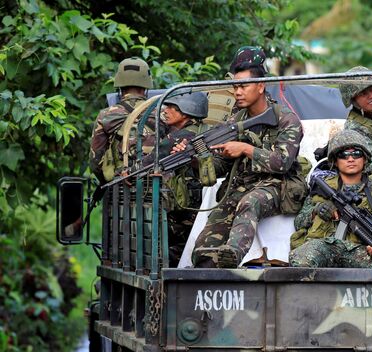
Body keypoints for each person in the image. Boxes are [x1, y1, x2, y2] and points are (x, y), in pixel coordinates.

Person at [190, 46, 304, 268]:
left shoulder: (286, 119)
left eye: (243, 86)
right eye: (234, 86)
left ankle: (232, 254)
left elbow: (282, 162)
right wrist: (197, 158)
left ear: (261, 86)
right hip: (240, 187)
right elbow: (222, 167)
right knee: (203, 249)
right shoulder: (234, 121)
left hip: (277, 187)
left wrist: (245, 148)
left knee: (250, 201)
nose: (237, 92)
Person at [289, 130, 372, 269]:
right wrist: (317, 210)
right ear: (335, 161)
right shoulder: (323, 187)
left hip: (361, 251)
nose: (350, 159)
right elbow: (299, 222)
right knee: (301, 259)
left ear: (364, 159)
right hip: (325, 246)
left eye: (356, 154)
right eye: (343, 155)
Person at [148, 91, 209, 267]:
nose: (165, 110)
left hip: (186, 210)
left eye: (172, 107)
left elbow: (146, 164)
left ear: (187, 111)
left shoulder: (177, 137)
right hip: (202, 208)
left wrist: (125, 172)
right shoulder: (206, 131)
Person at [89, 57, 154, 183]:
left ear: (120, 87)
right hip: (159, 190)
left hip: (120, 192)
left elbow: (95, 161)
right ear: (146, 87)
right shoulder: (163, 113)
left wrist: (108, 181)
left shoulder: (106, 115)